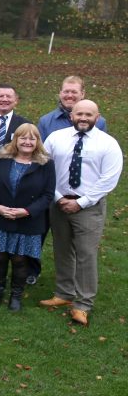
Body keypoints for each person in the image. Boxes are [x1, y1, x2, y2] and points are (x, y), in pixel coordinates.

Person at [41, 100, 122, 326]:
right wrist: (58, 198)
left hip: (89, 207)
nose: (83, 118)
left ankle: (83, 304)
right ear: (71, 116)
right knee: (62, 248)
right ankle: (64, 294)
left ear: (97, 117)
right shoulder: (56, 139)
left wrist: (82, 202)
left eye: (88, 114)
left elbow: (109, 179)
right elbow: (45, 168)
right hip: (58, 203)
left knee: (86, 254)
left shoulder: (108, 144)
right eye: (79, 114)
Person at [0, 124, 54, 310]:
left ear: (37, 141)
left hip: (27, 220)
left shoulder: (45, 163)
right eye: (23, 138)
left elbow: (48, 194)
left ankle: (16, 296)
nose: (27, 142)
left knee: (20, 259)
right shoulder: (1, 159)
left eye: (32, 138)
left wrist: (27, 211)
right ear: (16, 139)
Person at [38, 76, 107, 141]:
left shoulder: (99, 122)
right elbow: (41, 152)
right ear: (60, 93)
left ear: (82, 94)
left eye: (74, 92)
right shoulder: (46, 122)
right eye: (66, 91)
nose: (70, 95)